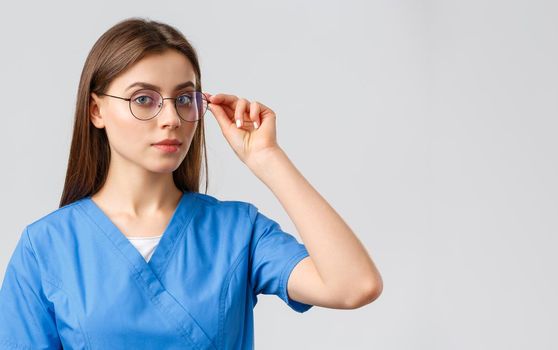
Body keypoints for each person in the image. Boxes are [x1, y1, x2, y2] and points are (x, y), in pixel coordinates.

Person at [0, 17, 382, 349]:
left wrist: (267, 159)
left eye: (184, 98)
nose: (171, 118)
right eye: (144, 99)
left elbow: (354, 286)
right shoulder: (46, 246)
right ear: (97, 110)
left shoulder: (238, 231)